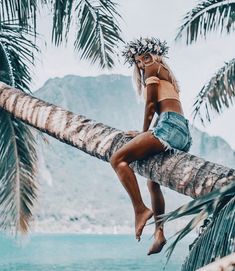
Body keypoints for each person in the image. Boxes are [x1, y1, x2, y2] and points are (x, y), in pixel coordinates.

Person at [110, 37, 192, 255]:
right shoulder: (165, 73)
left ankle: (139, 209)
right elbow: (164, 109)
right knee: (152, 183)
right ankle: (159, 233)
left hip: (170, 127)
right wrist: (146, 134)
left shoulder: (153, 66)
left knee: (117, 159)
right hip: (181, 131)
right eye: (137, 62)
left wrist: (144, 132)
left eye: (142, 59)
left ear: (151, 55)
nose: (141, 65)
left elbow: (150, 105)